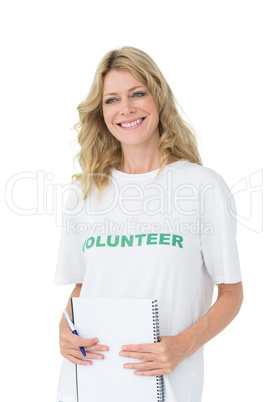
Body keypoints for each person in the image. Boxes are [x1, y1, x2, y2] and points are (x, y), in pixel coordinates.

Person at [54, 46, 243, 402]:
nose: (126, 108)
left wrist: (184, 345)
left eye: (137, 94)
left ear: (158, 99)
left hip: (166, 387)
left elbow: (232, 293)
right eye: (112, 99)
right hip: (86, 383)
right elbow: (84, 287)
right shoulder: (85, 192)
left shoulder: (202, 187)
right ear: (101, 112)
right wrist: (64, 327)